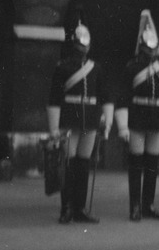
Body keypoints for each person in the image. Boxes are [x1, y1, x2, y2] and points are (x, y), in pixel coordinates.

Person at [46, 18, 113, 224]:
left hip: (90, 120)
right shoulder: (63, 67)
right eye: (79, 45)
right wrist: (54, 128)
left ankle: (80, 208)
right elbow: (54, 99)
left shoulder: (97, 69)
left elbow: (105, 97)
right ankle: (66, 208)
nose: (82, 49)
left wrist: (107, 121)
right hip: (68, 118)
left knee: (83, 164)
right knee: (67, 163)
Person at [115, 10, 159, 222]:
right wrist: (122, 126)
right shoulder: (131, 68)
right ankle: (134, 206)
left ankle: (148, 204)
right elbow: (123, 98)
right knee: (136, 165)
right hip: (137, 119)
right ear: (142, 48)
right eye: (147, 49)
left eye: (153, 49)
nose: (151, 53)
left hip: (156, 121)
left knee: (152, 165)